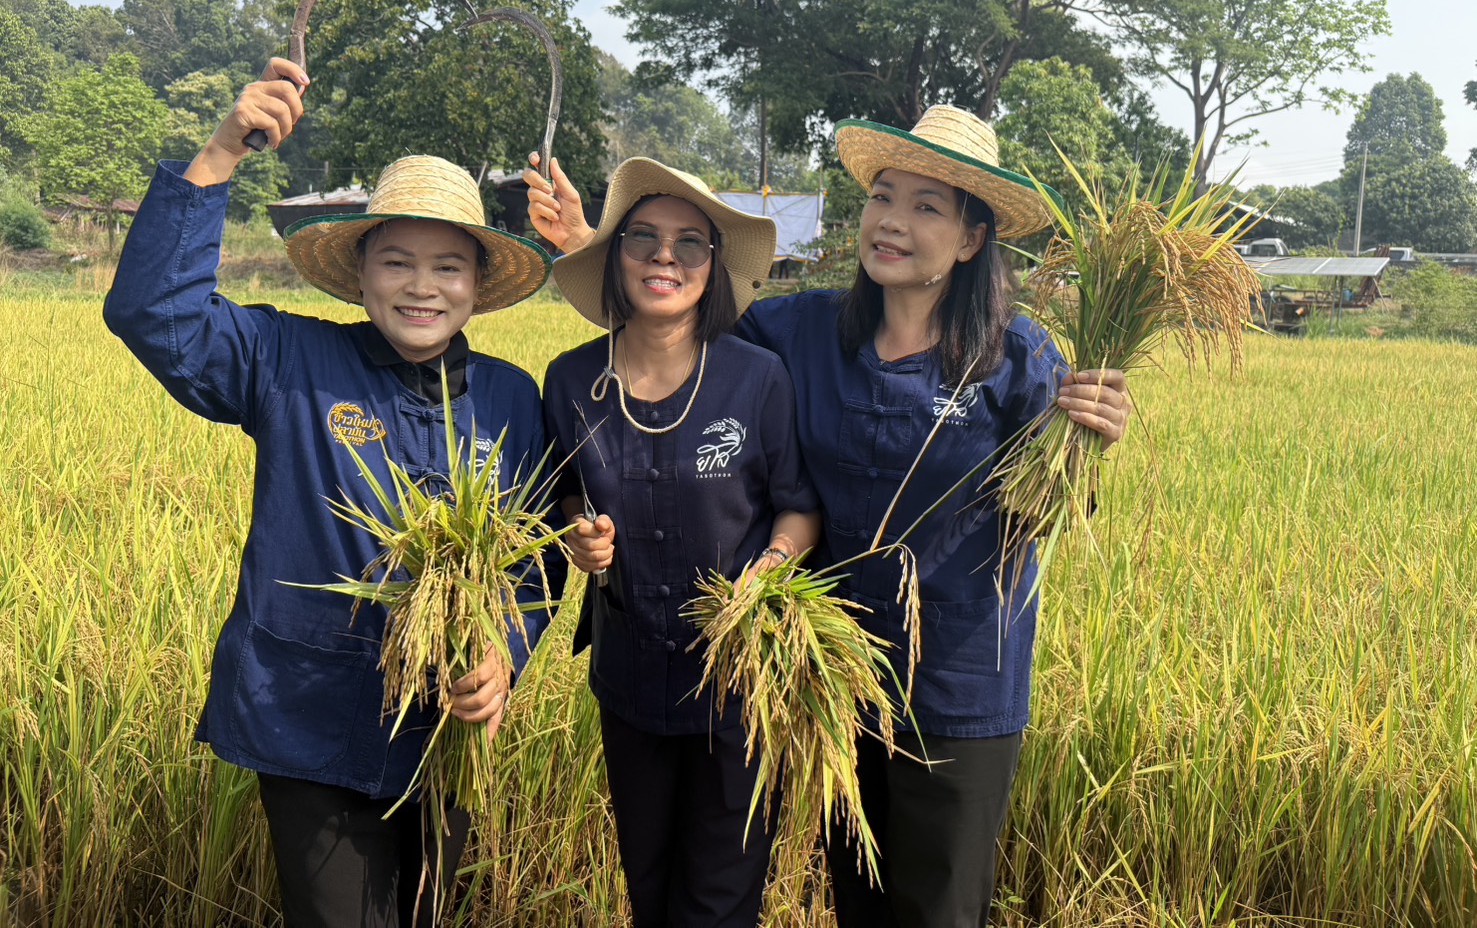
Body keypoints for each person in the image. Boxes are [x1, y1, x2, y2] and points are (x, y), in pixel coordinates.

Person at [525, 106, 1131, 928]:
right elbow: (668, 313)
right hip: (825, 674)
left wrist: (1090, 435)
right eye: (884, 195)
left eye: (927, 207)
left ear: (970, 240)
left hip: (956, 683)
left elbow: (1050, 507)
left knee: (940, 910)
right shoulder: (796, 328)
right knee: (858, 899)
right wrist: (588, 245)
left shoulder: (1019, 360)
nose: (891, 220)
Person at [104, 58, 560, 928]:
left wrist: (503, 654)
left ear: (476, 285)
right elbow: (154, 315)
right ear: (360, 275)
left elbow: (533, 558)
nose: (422, 287)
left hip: (446, 733)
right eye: (397, 262)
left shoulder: (511, 398)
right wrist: (223, 147)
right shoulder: (290, 361)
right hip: (307, 716)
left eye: (447, 268)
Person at [541, 156, 821, 928]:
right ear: (615, 256)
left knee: (720, 896)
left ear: (713, 267)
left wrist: (765, 572)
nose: (665, 256)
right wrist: (579, 532)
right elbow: (567, 493)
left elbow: (797, 508)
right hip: (628, 677)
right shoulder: (569, 381)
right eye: (644, 238)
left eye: (689, 243)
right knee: (649, 884)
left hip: (736, 682)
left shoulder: (758, 378)